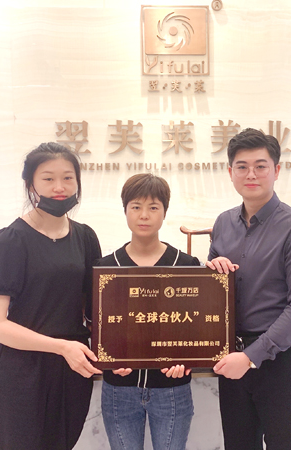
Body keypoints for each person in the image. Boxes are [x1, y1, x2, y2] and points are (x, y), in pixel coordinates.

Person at [0, 142, 103, 450]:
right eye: (48, 178)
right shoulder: (11, 240)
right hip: (22, 371)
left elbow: (97, 311)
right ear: (30, 184)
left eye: (68, 178)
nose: (59, 187)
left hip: (71, 372)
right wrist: (61, 347)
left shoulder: (85, 237)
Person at [206, 128, 291, 450]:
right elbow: (213, 289)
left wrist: (250, 357)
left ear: (277, 170)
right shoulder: (223, 223)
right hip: (231, 356)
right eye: (242, 166)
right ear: (230, 172)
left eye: (261, 166)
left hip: (280, 359)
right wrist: (211, 269)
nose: (251, 174)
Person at [96, 173, 199, 450]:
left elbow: (196, 328)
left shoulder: (186, 265)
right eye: (136, 206)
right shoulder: (105, 267)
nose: (144, 215)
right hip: (119, 389)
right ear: (125, 210)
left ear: (164, 212)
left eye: (153, 207)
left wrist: (187, 359)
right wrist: (107, 360)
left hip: (172, 388)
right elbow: (95, 325)